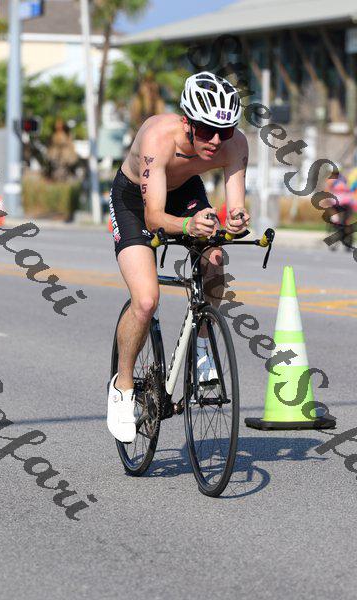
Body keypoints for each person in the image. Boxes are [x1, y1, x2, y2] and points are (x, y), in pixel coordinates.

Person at [107, 71, 250, 442]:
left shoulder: (235, 145)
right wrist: (189, 226)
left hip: (184, 191)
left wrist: (235, 220)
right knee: (145, 300)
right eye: (206, 130)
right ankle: (123, 387)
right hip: (136, 201)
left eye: (225, 132)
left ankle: (202, 344)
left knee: (215, 260)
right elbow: (154, 217)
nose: (215, 141)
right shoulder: (157, 136)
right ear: (187, 122)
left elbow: (235, 207)